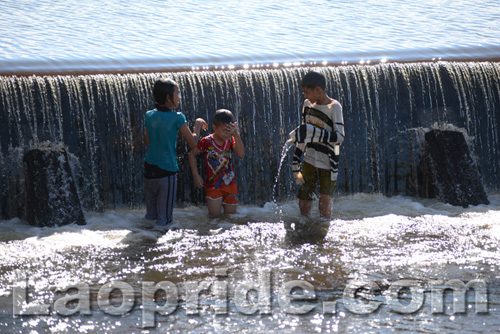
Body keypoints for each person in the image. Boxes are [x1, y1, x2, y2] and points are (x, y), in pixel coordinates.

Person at [144, 78, 207, 228]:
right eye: (177, 93)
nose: (179, 97)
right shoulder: (177, 117)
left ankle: (145, 242)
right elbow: (193, 143)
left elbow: (148, 142)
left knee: (151, 216)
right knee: (165, 220)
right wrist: (198, 124)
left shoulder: (148, 115)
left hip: (149, 171)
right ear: (168, 98)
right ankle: (158, 248)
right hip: (167, 173)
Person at [288, 71, 345, 218]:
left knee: (324, 202)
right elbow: (304, 133)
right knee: (304, 202)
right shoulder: (307, 105)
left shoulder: (334, 107)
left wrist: (313, 131)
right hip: (310, 159)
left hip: (329, 161)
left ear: (318, 89)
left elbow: (339, 137)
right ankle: (305, 227)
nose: (305, 96)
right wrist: (296, 159)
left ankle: (322, 230)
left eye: (307, 92)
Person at [189, 109, 245, 217]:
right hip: (213, 186)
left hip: (231, 185)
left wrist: (236, 135)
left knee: (231, 219)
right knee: (214, 217)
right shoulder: (207, 141)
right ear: (215, 128)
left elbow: (241, 154)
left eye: (230, 130)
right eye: (225, 130)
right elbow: (192, 155)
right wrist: (196, 175)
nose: (227, 133)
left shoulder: (231, 140)